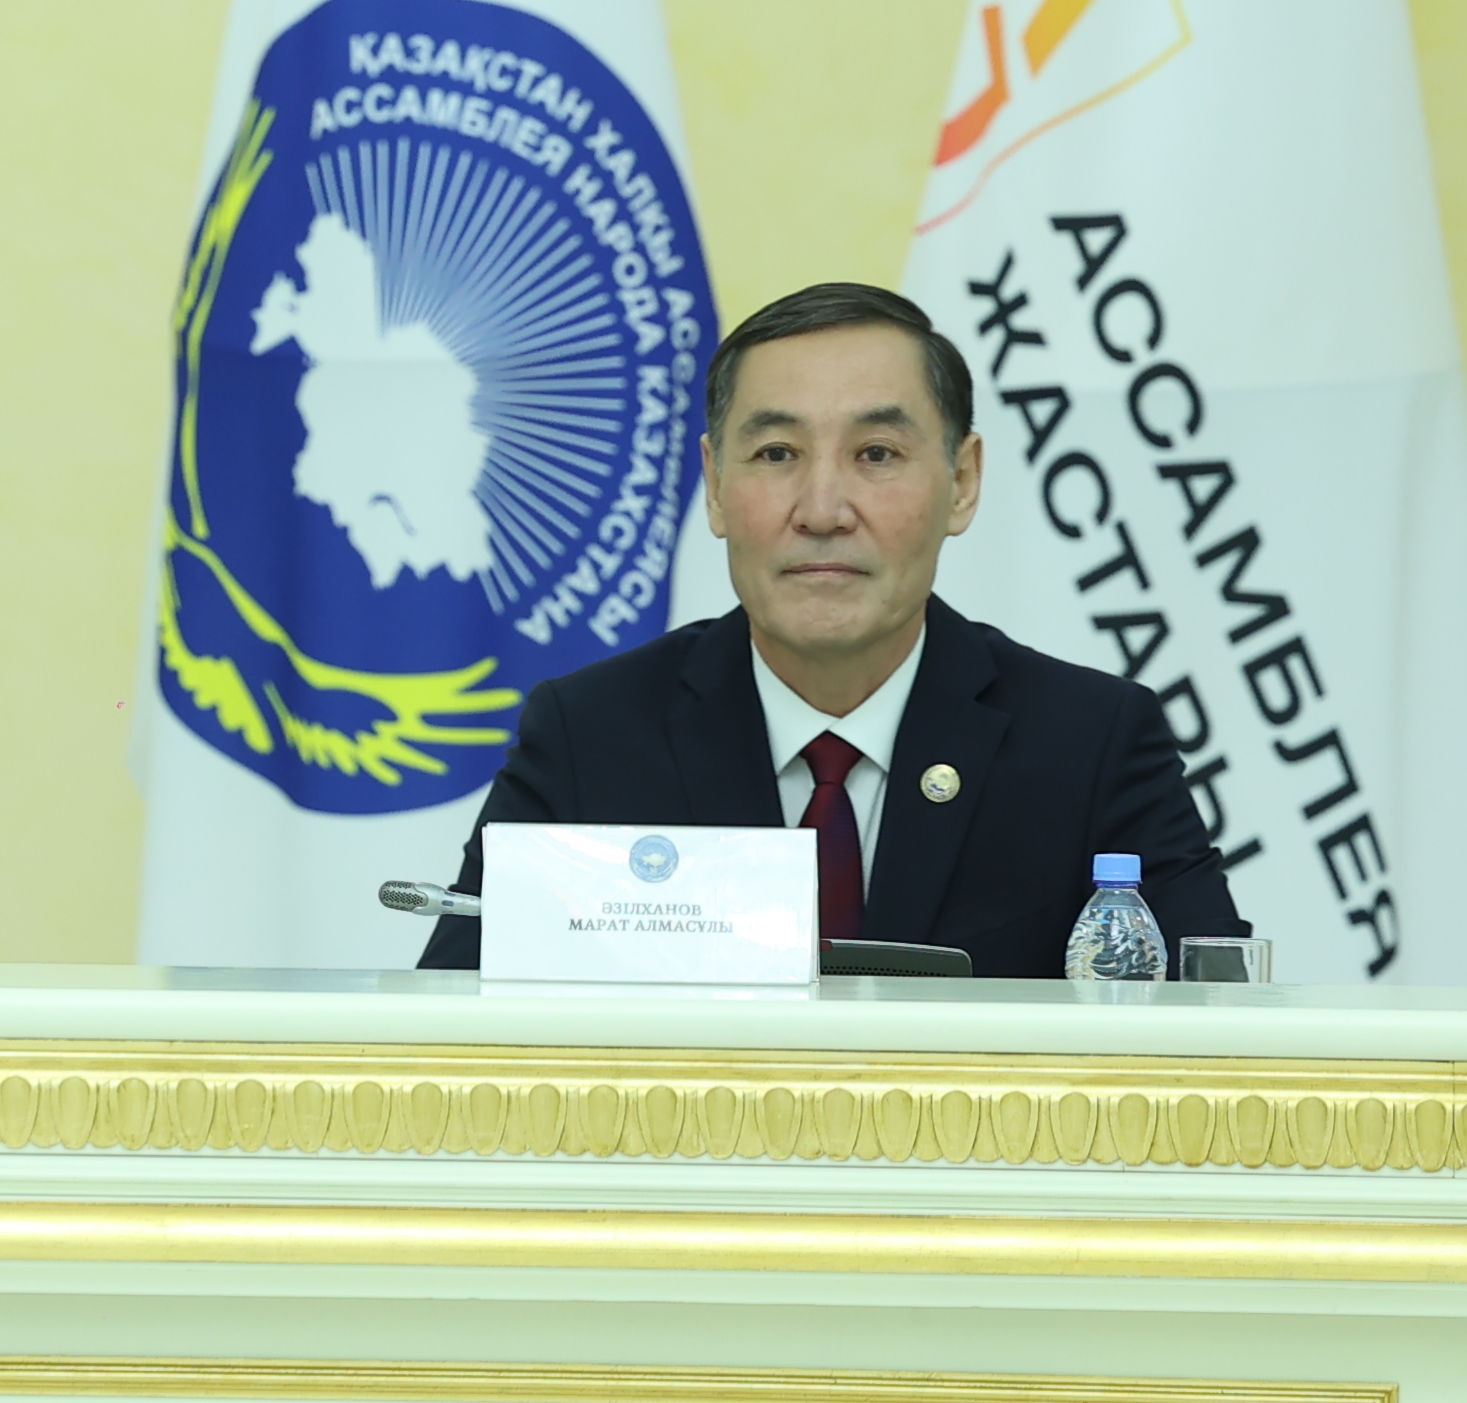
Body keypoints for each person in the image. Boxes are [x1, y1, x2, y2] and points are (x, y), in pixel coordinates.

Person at [416, 281, 1241, 978]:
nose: (821, 511)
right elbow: (451, 1042)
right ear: (714, 485)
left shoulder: (1091, 744)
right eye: (776, 454)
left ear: (961, 481)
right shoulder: (590, 736)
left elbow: (1218, 1044)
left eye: (876, 454)